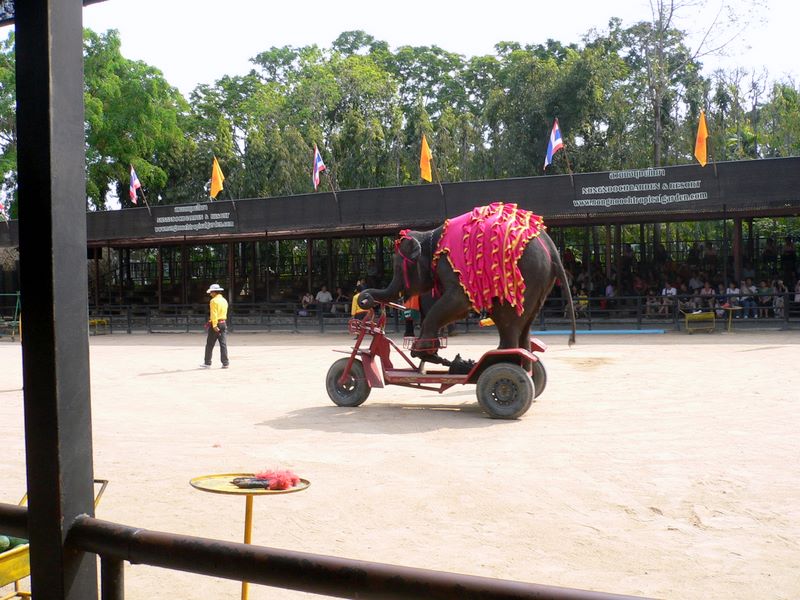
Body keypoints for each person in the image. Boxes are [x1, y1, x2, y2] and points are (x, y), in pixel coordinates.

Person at [201, 283, 229, 369]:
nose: (210, 294)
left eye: (211, 292)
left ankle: (207, 362)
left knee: (210, 344)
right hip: (223, 323)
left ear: (214, 292)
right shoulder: (224, 300)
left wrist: (214, 325)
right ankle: (225, 363)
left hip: (216, 323)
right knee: (223, 344)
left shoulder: (213, 301)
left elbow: (214, 314)